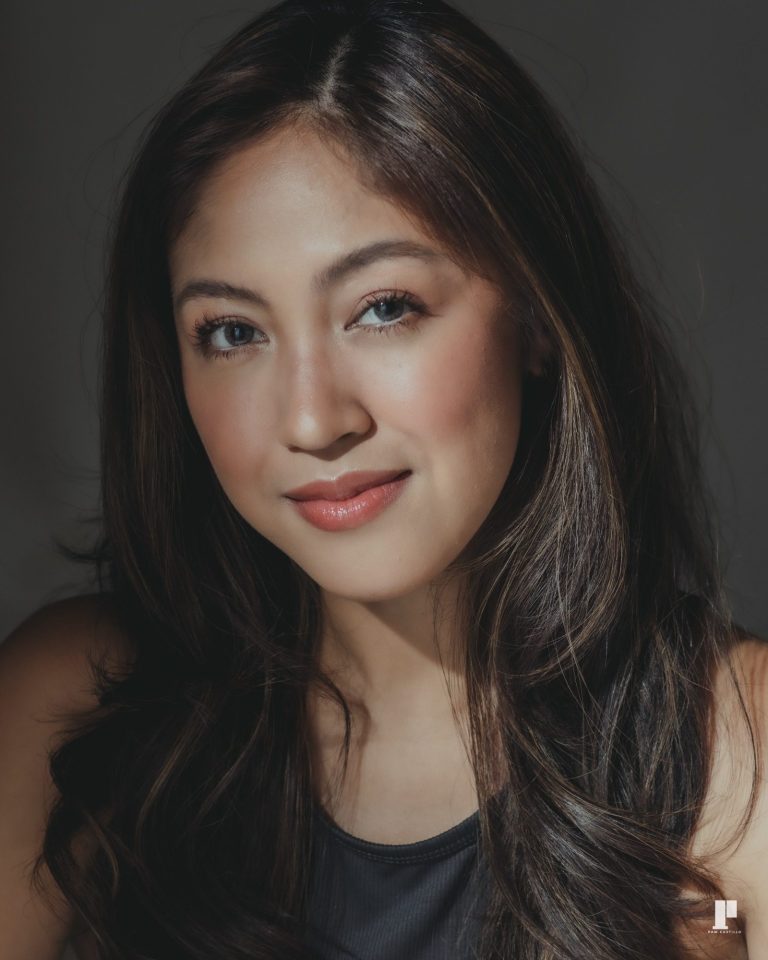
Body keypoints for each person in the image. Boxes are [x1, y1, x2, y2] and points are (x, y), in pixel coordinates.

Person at [1, 1, 765, 957]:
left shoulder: (735, 751)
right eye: (233, 332)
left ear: (536, 314)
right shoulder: (76, 710)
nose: (313, 419)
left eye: (383, 308)